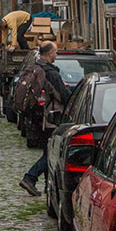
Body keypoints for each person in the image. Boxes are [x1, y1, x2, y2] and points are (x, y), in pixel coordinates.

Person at [19, 41, 70, 197]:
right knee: (50, 154)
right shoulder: (51, 73)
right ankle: (30, 177)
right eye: (55, 52)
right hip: (51, 118)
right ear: (49, 54)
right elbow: (63, 96)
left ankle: (48, 187)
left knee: (48, 151)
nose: (57, 55)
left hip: (39, 118)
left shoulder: (36, 68)